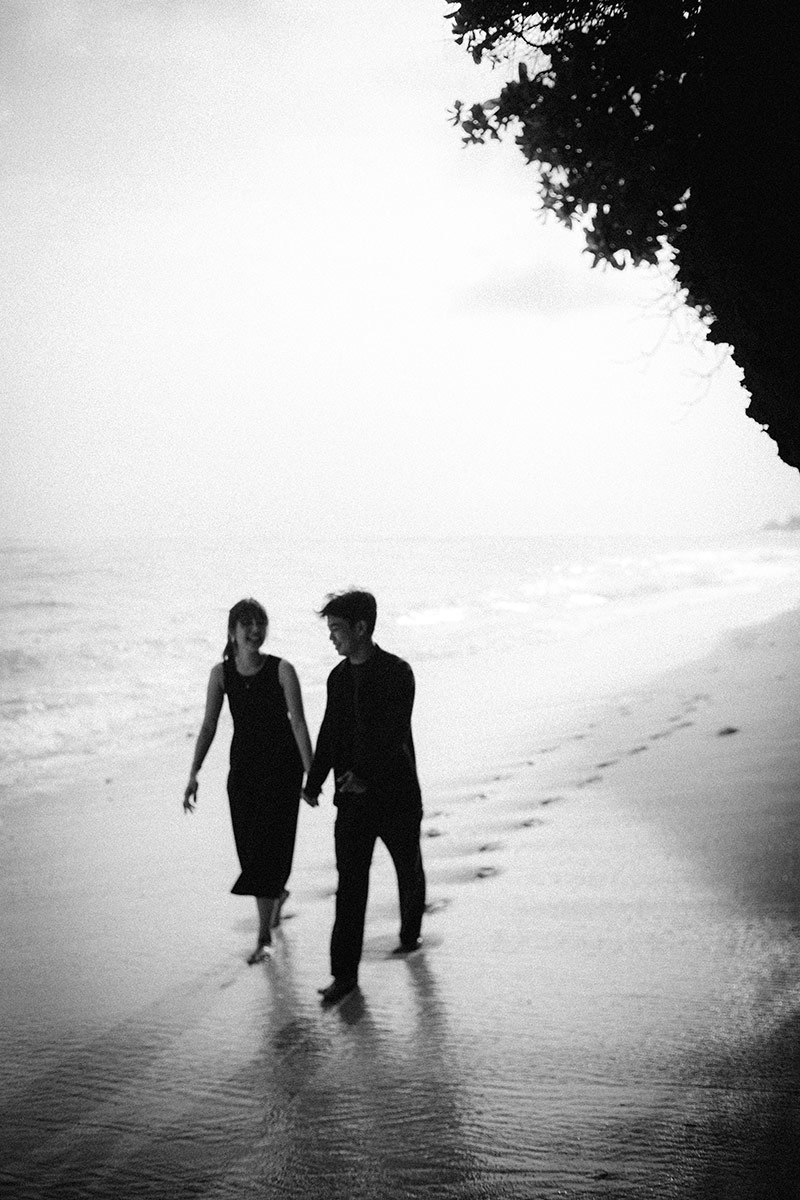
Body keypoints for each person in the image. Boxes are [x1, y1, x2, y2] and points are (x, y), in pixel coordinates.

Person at [302, 589, 426, 1005]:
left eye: (337, 628)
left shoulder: (398, 672)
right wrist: (314, 781)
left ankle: (410, 934)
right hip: (351, 801)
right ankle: (344, 976)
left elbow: (394, 733)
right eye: (330, 629)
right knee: (350, 886)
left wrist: (366, 777)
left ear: (361, 627)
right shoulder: (337, 678)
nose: (331, 637)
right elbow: (329, 731)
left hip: (396, 796)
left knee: (408, 868)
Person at [184, 598, 314, 963]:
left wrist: (312, 775)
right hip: (243, 772)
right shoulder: (221, 674)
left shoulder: (282, 670)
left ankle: (264, 936)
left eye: (261, 623)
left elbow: (299, 723)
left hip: (283, 770)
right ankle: (277, 897)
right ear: (233, 631)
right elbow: (209, 725)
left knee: (273, 849)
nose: (255, 630)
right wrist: (194, 773)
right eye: (247, 624)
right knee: (251, 850)